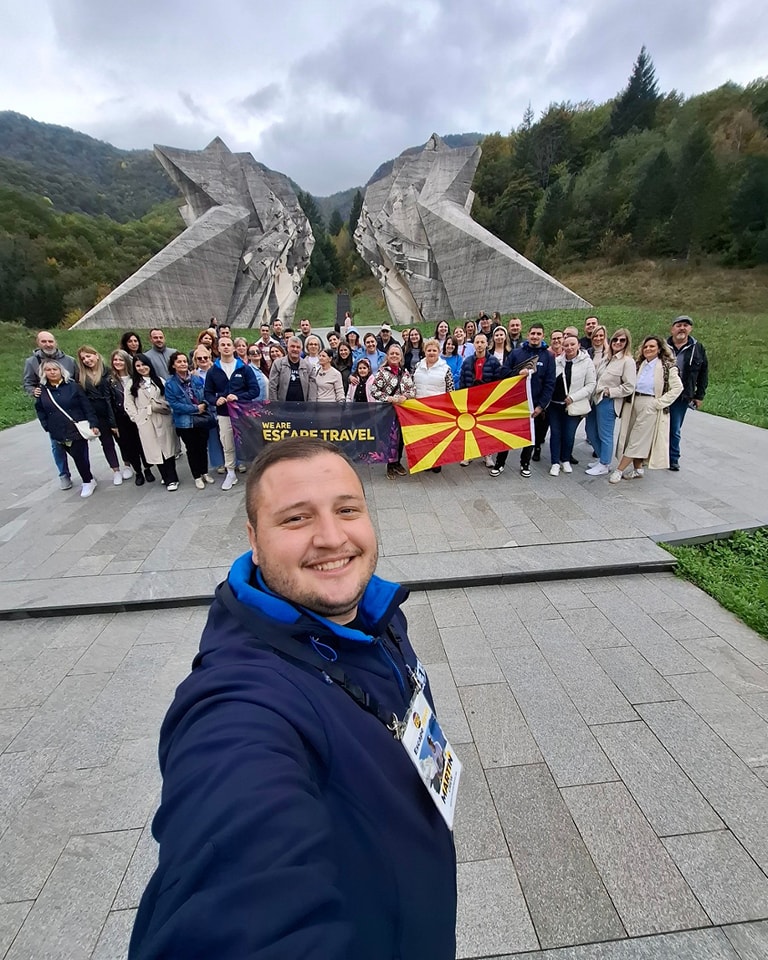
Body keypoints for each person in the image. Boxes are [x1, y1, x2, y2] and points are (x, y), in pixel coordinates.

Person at [128, 439, 457, 959]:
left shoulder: (377, 610)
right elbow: (235, 890)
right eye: (296, 519)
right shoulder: (239, 705)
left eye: (347, 510)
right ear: (254, 541)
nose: (332, 538)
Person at [611, 336, 683, 483]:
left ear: (659, 349)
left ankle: (619, 470)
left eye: (652, 346)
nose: (648, 349)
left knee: (637, 439)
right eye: (645, 347)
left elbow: (678, 388)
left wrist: (659, 403)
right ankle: (638, 469)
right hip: (634, 402)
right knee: (630, 435)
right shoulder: (639, 364)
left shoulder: (667, 367)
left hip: (650, 403)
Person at [494, 324, 555, 478]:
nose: (535, 336)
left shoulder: (548, 357)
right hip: (514, 403)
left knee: (529, 436)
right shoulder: (516, 353)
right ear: (528, 335)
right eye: (533, 333)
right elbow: (504, 373)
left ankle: (525, 464)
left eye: (538, 334)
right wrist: (517, 373)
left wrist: (541, 405)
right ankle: (500, 463)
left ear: (543, 336)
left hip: (534, 404)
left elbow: (549, 383)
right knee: (507, 434)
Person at [22, 330, 79, 489]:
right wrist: (33, 391)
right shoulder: (32, 362)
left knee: (78, 442)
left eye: (50, 341)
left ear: (55, 342)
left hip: (71, 408)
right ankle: (64, 475)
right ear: (38, 343)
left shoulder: (69, 360)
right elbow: (27, 383)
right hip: (50, 409)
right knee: (57, 443)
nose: (48, 344)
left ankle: (84, 471)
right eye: (44, 341)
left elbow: (78, 380)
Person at [35, 360, 99, 498]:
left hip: (75, 427)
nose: (52, 372)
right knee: (75, 454)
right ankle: (88, 476)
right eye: (48, 370)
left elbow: (86, 406)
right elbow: (40, 410)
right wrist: (47, 426)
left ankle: (87, 481)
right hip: (57, 429)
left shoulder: (73, 386)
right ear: (43, 373)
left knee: (79, 454)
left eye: (55, 369)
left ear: (61, 371)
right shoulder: (42, 390)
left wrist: (93, 423)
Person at [205, 336, 261, 491]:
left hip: (243, 413)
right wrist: (216, 400)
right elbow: (208, 393)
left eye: (228, 344)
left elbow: (254, 390)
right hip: (224, 414)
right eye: (222, 345)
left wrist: (238, 396)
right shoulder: (213, 370)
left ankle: (254, 471)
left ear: (233, 348)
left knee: (249, 442)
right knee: (227, 444)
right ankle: (230, 472)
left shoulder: (244, 368)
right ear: (218, 348)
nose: (226, 347)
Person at [124, 355, 180, 491]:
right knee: (155, 450)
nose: (142, 368)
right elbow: (129, 403)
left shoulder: (159, 380)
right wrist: (136, 418)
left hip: (162, 417)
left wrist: (163, 406)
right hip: (146, 420)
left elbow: (168, 397)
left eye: (144, 364)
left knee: (168, 448)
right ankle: (165, 476)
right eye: (138, 366)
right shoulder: (132, 384)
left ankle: (172, 478)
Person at [585, 329, 636, 476]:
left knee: (605, 434)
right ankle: (602, 458)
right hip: (595, 399)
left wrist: (610, 392)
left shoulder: (627, 361)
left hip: (608, 401)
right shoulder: (607, 358)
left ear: (627, 343)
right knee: (590, 430)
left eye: (622, 340)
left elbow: (630, 386)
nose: (618, 343)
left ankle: (605, 464)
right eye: (615, 339)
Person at [165, 352, 215, 490]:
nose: (183, 364)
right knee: (192, 450)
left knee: (202, 447)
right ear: (173, 365)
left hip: (201, 419)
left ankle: (205, 472)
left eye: (184, 361)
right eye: (179, 362)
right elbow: (174, 404)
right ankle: (197, 476)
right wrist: (195, 408)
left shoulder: (196, 379)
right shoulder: (170, 384)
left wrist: (204, 404)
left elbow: (206, 394)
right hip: (185, 422)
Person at [76, 345, 125, 485]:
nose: (87, 360)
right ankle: (116, 470)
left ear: (96, 355)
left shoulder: (108, 372)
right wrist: (91, 421)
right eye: (83, 358)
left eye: (88, 356)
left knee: (122, 440)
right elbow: (83, 400)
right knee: (107, 443)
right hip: (97, 415)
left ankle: (127, 464)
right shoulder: (81, 377)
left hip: (114, 411)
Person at [547, 336, 596, 476]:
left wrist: (573, 397)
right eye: (566, 345)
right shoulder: (557, 361)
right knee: (555, 433)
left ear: (578, 345)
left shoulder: (587, 362)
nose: (569, 348)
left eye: (572, 344)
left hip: (573, 405)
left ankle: (565, 459)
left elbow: (591, 384)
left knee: (569, 434)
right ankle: (555, 462)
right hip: (555, 405)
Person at [667, 316, 708, 472]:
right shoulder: (663, 346)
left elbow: (703, 372)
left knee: (675, 428)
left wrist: (699, 395)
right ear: (672, 329)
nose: (682, 328)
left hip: (682, 395)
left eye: (686, 325)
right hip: (662, 393)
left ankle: (673, 458)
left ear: (690, 329)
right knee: (657, 425)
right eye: (679, 325)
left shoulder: (697, 348)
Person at [370, 343, 416, 479]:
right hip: (387, 411)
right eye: (392, 354)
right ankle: (390, 465)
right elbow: (374, 391)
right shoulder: (382, 373)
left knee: (401, 438)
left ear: (401, 357)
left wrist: (405, 396)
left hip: (402, 412)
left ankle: (397, 462)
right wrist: (389, 398)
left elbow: (412, 389)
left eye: (397, 354)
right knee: (389, 439)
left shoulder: (405, 373)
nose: (394, 356)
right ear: (388, 356)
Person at [109, 350, 153, 485]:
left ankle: (147, 468)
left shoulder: (136, 378)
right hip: (122, 418)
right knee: (129, 446)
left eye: (121, 360)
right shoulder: (110, 381)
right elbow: (108, 402)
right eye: (115, 360)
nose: (118, 362)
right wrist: (113, 423)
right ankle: (138, 471)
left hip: (139, 415)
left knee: (142, 443)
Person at [458, 333, 501, 467]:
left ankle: (487, 455)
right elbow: (463, 381)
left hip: (487, 401)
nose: (480, 345)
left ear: (487, 344)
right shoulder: (467, 361)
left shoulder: (494, 361)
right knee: (469, 427)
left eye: (482, 342)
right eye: (477, 342)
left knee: (486, 429)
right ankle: (469, 454)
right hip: (471, 400)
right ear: (474, 344)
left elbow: (498, 382)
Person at [414, 340, 454, 473]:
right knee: (423, 436)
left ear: (439, 352)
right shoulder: (418, 366)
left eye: (434, 350)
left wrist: (449, 408)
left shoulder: (445, 369)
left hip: (437, 409)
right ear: (425, 351)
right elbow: (412, 386)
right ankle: (425, 461)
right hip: (420, 408)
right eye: (429, 350)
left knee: (437, 437)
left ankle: (437, 461)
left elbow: (450, 390)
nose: (431, 353)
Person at [190, 346, 225, 476]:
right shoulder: (193, 376)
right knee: (213, 437)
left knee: (228, 435)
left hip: (221, 405)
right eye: (199, 358)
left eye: (205, 357)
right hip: (206, 409)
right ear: (195, 360)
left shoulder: (218, 370)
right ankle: (219, 463)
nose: (203, 360)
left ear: (210, 358)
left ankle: (235, 461)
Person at [269, 336, 318, 402]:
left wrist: (311, 405)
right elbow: (272, 386)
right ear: (287, 348)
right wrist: (275, 404)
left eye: (298, 347)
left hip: (303, 405)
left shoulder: (308, 366)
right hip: (282, 405)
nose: (295, 349)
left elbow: (312, 389)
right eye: (292, 346)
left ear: (301, 349)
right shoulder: (278, 364)